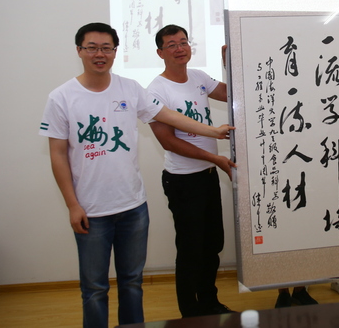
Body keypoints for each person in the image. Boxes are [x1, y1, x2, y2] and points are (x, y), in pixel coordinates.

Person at [39, 22, 233, 328]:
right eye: (92, 48)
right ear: (79, 51)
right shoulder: (61, 97)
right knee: (95, 289)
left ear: (115, 52)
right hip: (92, 209)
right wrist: (72, 205)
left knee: (132, 282)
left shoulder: (130, 88)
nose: (100, 54)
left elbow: (169, 116)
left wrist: (212, 131)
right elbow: (58, 155)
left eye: (106, 48)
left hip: (133, 206)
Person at [146, 24, 235, 317]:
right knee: (190, 250)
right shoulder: (156, 90)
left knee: (212, 245)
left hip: (208, 176)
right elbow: (168, 141)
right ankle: (190, 314)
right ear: (160, 52)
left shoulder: (198, 77)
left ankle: (209, 303)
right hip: (183, 181)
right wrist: (215, 158)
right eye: (171, 44)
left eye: (183, 42)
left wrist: (229, 65)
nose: (179, 48)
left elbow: (231, 94)